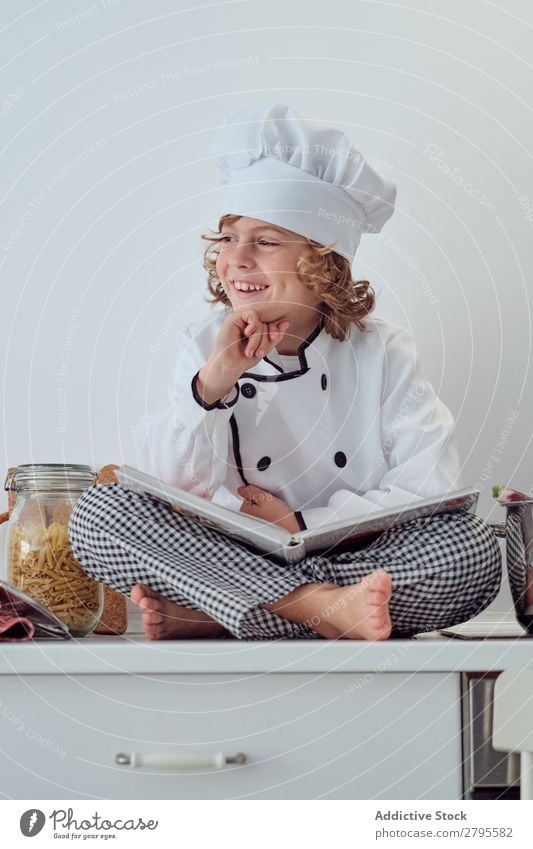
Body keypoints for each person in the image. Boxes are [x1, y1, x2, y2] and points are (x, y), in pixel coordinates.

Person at [68, 103, 501, 641]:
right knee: (100, 515)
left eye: (266, 241)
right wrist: (213, 383)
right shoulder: (202, 344)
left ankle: (222, 612)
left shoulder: (383, 352)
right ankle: (323, 608)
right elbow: (170, 488)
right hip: (223, 552)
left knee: (471, 549)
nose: (238, 258)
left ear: (322, 262)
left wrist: (301, 527)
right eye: (228, 238)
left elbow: (429, 483)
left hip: (351, 553)